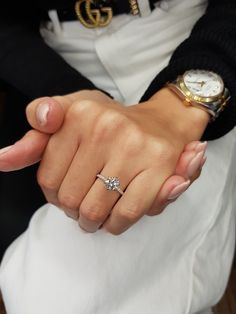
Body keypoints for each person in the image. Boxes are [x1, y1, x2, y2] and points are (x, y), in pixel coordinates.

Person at [0, 0, 236, 313]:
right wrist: (68, 91)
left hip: (191, 37)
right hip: (48, 57)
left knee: (59, 294)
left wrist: (183, 104)